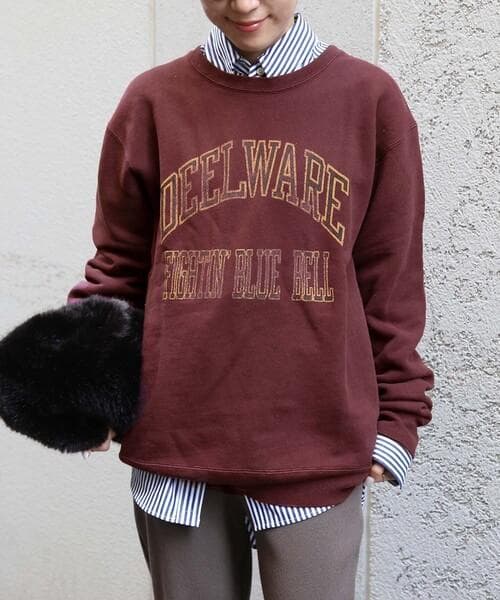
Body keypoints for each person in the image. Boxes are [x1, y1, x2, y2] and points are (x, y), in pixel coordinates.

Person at [71, 1, 435, 598]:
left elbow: (390, 277)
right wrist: (89, 388)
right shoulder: (153, 101)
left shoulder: (369, 100)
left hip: (317, 448)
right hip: (176, 449)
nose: (243, 4)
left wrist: (399, 415)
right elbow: (119, 267)